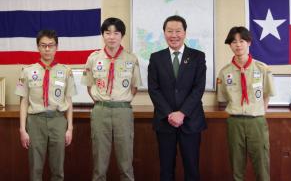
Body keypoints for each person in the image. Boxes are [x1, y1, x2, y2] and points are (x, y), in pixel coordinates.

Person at [81, 17, 142, 181]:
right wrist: (101, 101)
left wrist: (121, 100)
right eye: (107, 33)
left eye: (116, 33)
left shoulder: (131, 59)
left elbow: (134, 87)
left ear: (122, 35)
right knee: (99, 161)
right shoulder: (93, 58)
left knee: (126, 160)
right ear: (103, 35)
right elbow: (89, 85)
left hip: (123, 110)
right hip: (101, 110)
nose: (112, 36)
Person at [148, 15, 207, 181]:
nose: (174, 35)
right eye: (169, 31)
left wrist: (182, 113)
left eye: (178, 31)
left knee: (192, 168)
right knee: (166, 169)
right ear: (164, 33)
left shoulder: (198, 56)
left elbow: (198, 88)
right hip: (164, 121)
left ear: (185, 33)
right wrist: (169, 113)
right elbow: (154, 89)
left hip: (191, 120)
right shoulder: (156, 58)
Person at [15, 29, 77, 181]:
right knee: (35, 168)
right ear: (38, 47)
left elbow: (69, 101)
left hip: (57, 120)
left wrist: (70, 128)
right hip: (35, 121)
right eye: (43, 45)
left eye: (51, 45)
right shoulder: (27, 71)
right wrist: (23, 129)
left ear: (56, 47)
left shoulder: (66, 71)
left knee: (58, 168)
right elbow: (23, 102)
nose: (47, 49)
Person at [217, 26, 275, 181]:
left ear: (248, 42)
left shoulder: (262, 68)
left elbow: (267, 94)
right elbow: (222, 97)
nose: (238, 45)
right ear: (230, 45)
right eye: (233, 42)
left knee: (261, 164)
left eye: (241, 41)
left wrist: (260, 112)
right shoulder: (224, 72)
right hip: (234, 122)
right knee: (237, 166)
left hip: (256, 121)